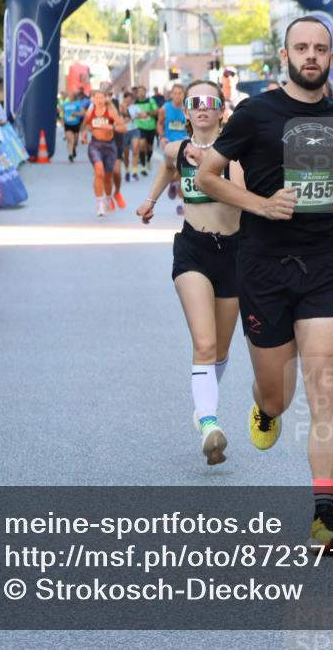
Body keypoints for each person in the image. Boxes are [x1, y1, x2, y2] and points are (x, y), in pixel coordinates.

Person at [194, 16, 333, 552]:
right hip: (265, 265)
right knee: (280, 393)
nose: (311, 55)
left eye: (320, 48)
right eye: (301, 47)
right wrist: (261, 205)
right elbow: (207, 176)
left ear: (331, 56)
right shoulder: (256, 112)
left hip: (329, 261)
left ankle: (324, 515)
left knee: (324, 388)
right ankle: (265, 408)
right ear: (285, 53)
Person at [136, 80, 244, 466]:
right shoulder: (180, 148)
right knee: (204, 342)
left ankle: (203, 405)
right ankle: (210, 423)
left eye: (209, 102)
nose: (201, 108)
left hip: (233, 253)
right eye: (195, 102)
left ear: (220, 111)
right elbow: (168, 162)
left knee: (223, 349)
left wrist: (220, 175)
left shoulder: (235, 151)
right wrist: (150, 200)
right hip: (193, 250)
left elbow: (244, 198)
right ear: (187, 111)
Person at [80, 89, 126, 217]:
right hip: (95, 145)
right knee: (99, 172)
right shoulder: (90, 113)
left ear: (105, 99)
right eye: (97, 98)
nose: (99, 100)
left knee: (108, 176)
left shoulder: (111, 112)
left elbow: (123, 128)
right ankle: (100, 203)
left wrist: (112, 127)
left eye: (102, 98)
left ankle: (108, 198)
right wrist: (83, 135)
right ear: (92, 99)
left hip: (110, 146)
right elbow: (84, 126)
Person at [157, 83, 189, 205]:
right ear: (171, 95)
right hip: (169, 144)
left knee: (182, 172)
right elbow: (159, 124)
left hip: (184, 143)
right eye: (174, 93)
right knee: (173, 169)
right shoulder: (165, 108)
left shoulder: (187, 109)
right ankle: (173, 182)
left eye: (179, 93)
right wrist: (162, 137)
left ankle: (180, 203)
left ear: (183, 95)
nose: (177, 96)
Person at [133, 86, 159, 176]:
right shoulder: (134, 102)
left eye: (142, 91)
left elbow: (156, 111)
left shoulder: (150, 101)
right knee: (142, 144)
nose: (140, 93)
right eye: (139, 91)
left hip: (151, 127)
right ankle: (143, 167)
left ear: (145, 92)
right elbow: (131, 114)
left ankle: (148, 159)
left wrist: (147, 113)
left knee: (150, 147)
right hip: (139, 127)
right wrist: (136, 115)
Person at [60, 91, 86, 161]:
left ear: (74, 97)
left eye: (71, 96)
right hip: (67, 124)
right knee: (70, 140)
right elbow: (62, 113)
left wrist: (76, 114)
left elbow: (83, 112)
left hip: (76, 124)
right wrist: (62, 121)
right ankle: (70, 155)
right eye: (69, 96)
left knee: (75, 141)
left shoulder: (78, 103)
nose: (70, 97)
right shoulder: (65, 104)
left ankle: (73, 149)